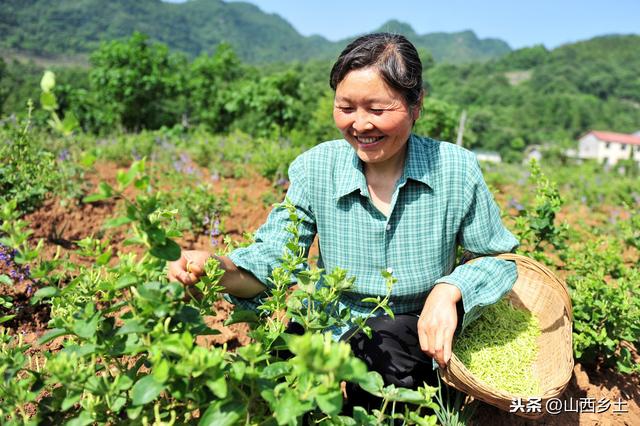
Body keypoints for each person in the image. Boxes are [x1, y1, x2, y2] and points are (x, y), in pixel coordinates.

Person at [168, 32, 518, 412]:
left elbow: (497, 258)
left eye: (378, 110)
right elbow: (273, 260)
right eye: (346, 108)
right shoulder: (316, 168)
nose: (361, 124)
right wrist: (212, 266)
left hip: (416, 335)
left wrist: (450, 289)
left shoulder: (455, 169)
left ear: (416, 105)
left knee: (386, 344)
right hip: (330, 323)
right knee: (283, 369)